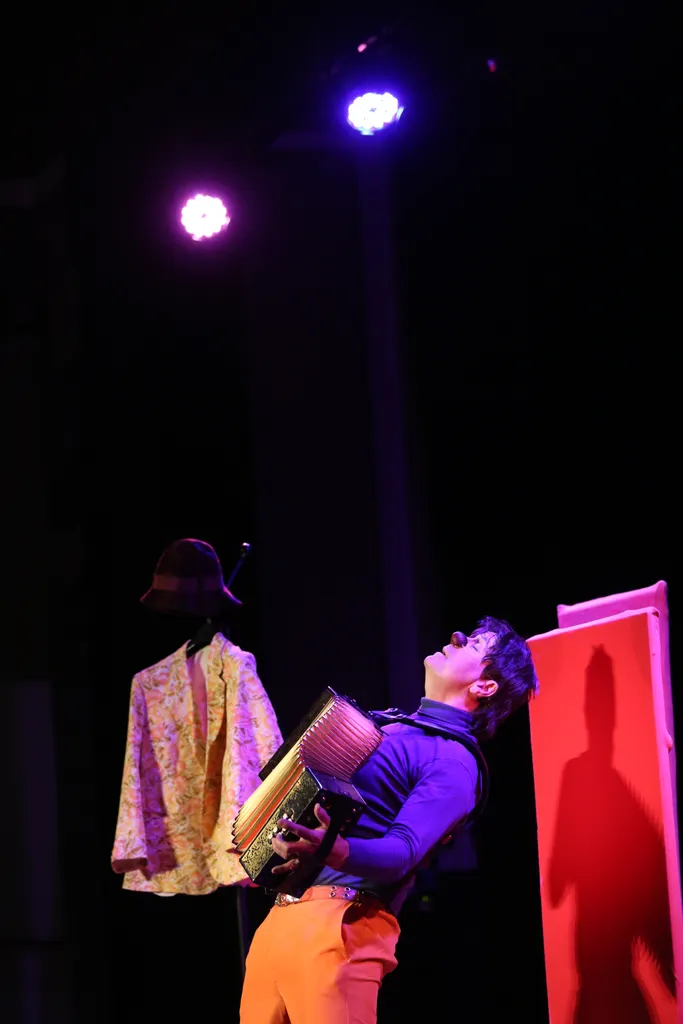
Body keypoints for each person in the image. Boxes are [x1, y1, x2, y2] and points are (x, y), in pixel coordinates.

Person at [239, 615, 539, 1024]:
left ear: (484, 687)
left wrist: (332, 849)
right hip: (280, 922)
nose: (456, 636)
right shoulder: (392, 724)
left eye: (473, 644)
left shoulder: (455, 762)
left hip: (339, 924)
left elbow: (403, 852)